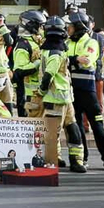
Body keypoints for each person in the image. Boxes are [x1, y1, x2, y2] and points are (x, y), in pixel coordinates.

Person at [65, 10, 104, 172]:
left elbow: (86, 61)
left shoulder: (91, 43)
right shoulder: (68, 43)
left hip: (88, 91)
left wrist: (72, 61)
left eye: (70, 26)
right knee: (77, 127)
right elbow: (62, 60)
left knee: (97, 126)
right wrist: (74, 59)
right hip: (72, 92)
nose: (68, 29)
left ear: (78, 26)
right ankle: (82, 158)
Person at [31, 16, 75, 168]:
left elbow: (49, 75)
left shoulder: (52, 52)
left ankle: (52, 161)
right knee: (70, 127)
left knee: (52, 132)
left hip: (55, 97)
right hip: (64, 96)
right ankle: (75, 160)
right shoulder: (58, 50)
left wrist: (42, 91)